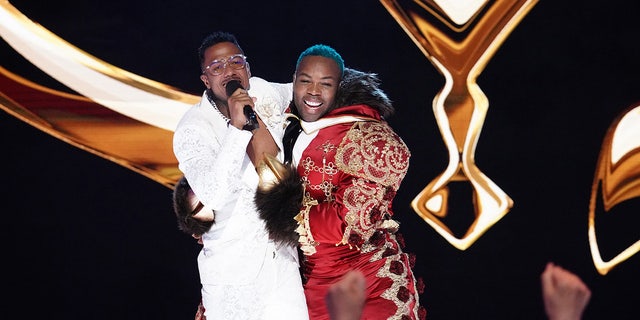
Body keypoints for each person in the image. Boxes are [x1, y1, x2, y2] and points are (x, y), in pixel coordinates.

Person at [255, 44, 425, 319]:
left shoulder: (368, 139)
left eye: (326, 83)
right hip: (304, 286)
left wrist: (279, 210)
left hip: (365, 285)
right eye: (305, 81)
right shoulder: (282, 118)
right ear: (293, 80)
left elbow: (350, 223)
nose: (313, 91)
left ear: (339, 87)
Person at [172, 31, 308, 320]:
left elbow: (310, 90)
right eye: (217, 67)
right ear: (205, 81)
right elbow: (213, 195)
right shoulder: (193, 129)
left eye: (236, 62)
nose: (229, 70)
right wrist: (237, 130)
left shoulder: (263, 91)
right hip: (233, 278)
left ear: (247, 68)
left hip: (283, 266)